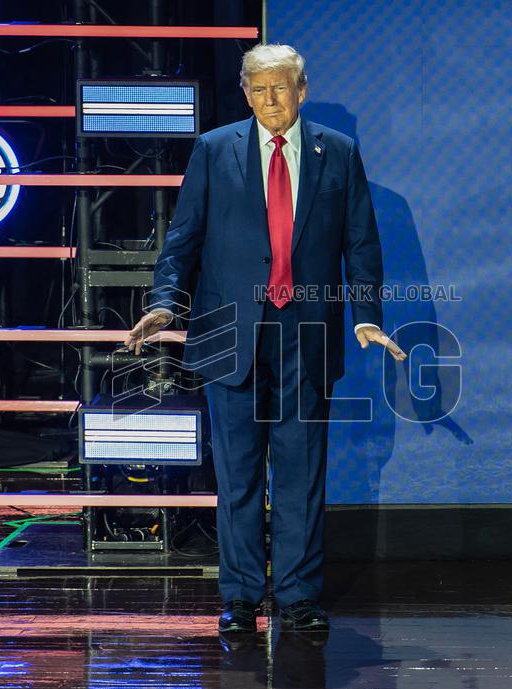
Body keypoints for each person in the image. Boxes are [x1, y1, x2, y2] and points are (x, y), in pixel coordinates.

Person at [125, 44, 406, 634]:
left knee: (302, 475)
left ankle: (299, 596)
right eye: (258, 89)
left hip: (305, 333)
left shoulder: (339, 153)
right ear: (245, 93)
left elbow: (361, 246)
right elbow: (183, 240)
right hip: (229, 336)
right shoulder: (212, 150)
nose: (270, 99)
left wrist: (365, 315)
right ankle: (241, 598)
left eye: (280, 87)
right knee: (239, 476)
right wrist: (162, 303)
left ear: (301, 90)